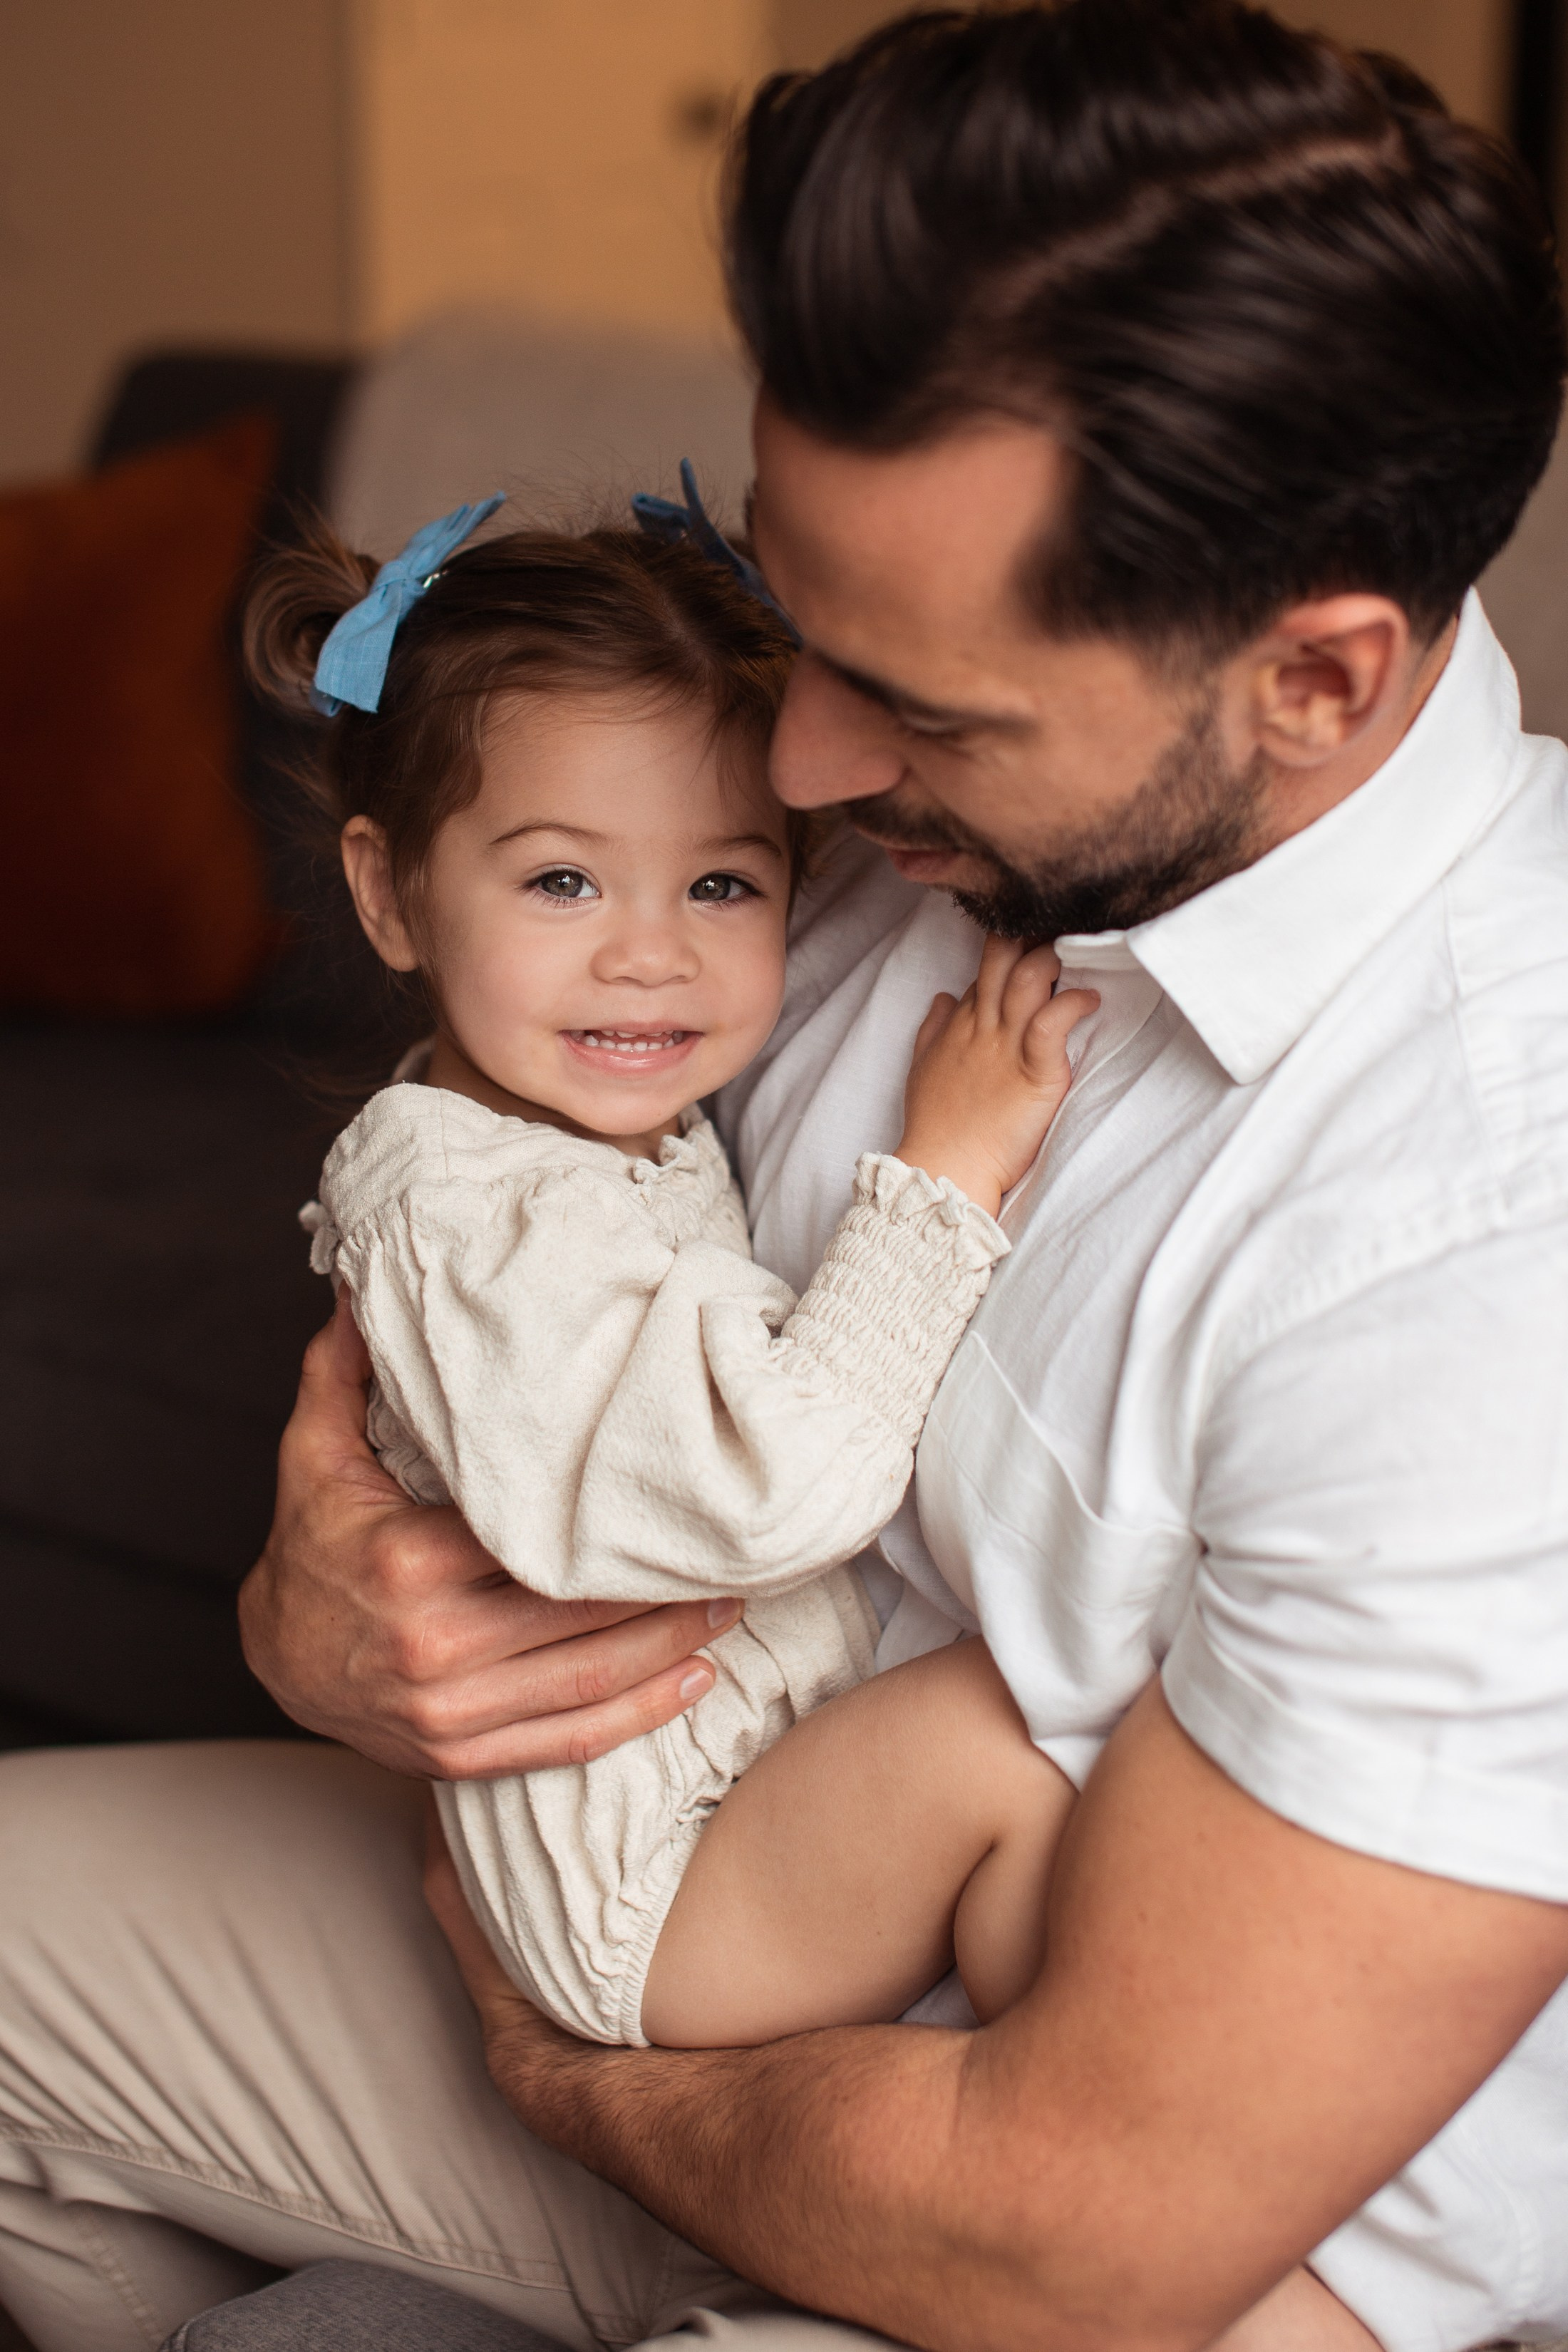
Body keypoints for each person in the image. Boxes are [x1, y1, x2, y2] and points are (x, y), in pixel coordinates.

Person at [4, 3, 1568, 2348]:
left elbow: (1078, 2229)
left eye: (919, 701)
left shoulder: (1494, 1234)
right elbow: (527, 1306)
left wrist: (566, 2086)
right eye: (788, 609)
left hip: (1108, 2250)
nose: (802, 766)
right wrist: (327, 1615)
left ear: (1314, 681)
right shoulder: (863, 835)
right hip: (670, 1897)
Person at [253, 502, 1092, 2051]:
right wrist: (944, 1173)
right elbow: (759, 1489)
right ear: (389, 896)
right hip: (652, 1885)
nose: (650, 954)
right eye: (561, 883)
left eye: (720, 886)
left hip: (736, 1797)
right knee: (1010, 1742)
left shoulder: (584, 1126)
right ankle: (1070, 2119)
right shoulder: (471, 1219)